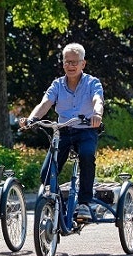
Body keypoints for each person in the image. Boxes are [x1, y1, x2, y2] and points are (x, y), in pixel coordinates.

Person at [19, 42, 104, 219]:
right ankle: (59, 204)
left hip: (86, 130)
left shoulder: (92, 83)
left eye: (75, 62)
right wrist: (31, 119)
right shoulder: (57, 85)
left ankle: (84, 203)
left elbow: (98, 100)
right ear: (63, 63)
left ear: (83, 64)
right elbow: (44, 104)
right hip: (63, 132)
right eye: (67, 62)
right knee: (46, 174)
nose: (70, 66)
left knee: (87, 155)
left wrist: (96, 114)